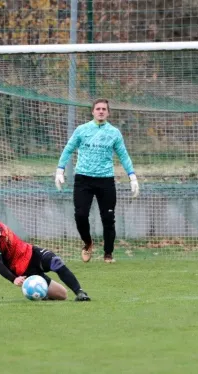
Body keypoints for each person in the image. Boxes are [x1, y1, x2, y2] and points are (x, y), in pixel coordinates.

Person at [55, 98, 139, 263]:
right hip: (83, 179)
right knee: (80, 214)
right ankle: (87, 243)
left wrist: (132, 177)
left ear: (108, 112)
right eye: (98, 108)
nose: (101, 111)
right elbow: (68, 149)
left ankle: (108, 254)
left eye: (104, 109)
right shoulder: (82, 130)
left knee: (108, 218)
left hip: (105, 180)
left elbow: (123, 155)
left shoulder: (114, 133)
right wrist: (60, 169)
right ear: (93, 111)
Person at [0, 196, 91, 302]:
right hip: (22, 269)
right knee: (62, 295)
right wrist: (14, 279)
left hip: (31, 253)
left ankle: (80, 292)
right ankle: (39, 294)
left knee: (55, 261)